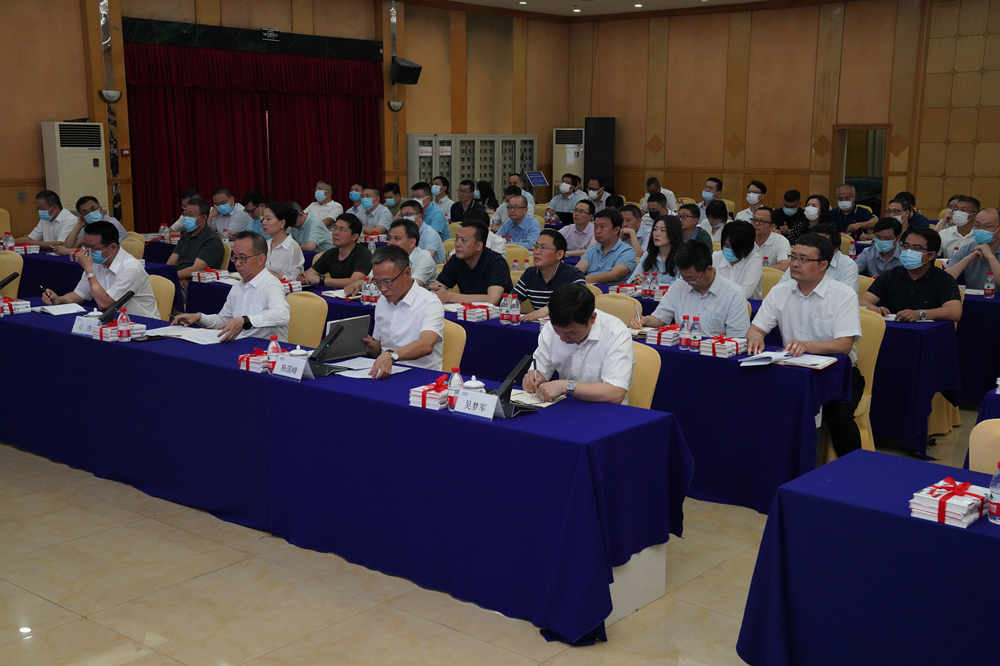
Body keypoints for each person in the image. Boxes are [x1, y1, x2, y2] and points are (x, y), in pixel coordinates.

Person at [747, 233, 865, 457]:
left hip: (837, 374)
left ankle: (852, 468)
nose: (795, 264)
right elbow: (757, 328)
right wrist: (755, 337)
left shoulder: (842, 295)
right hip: (792, 370)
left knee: (839, 418)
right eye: (793, 257)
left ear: (823, 265)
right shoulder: (780, 291)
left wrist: (807, 345)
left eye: (803, 259)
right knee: (755, 399)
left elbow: (843, 344)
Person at [523, 283, 633, 404]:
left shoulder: (616, 332)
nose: (563, 339)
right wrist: (534, 378)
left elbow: (616, 393)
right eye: (558, 332)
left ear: (592, 318)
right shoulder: (550, 328)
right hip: (568, 405)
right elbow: (539, 371)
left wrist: (566, 386)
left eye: (571, 333)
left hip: (606, 409)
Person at [172, 231, 289, 341]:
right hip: (240, 344)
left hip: (266, 349)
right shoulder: (238, 286)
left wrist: (245, 320)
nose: (237, 263)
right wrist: (199, 317)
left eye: (243, 258)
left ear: (261, 259)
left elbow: (282, 315)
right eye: (235, 257)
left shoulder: (271, 284)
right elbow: (224, 320)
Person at [41, 220, 159, 319]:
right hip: (115, 322)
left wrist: (89, 270)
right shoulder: (97, 261)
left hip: (143, 324)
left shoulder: (131, 267)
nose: (87, 252)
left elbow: (105, 304)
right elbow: (80, 294)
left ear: (112, 247)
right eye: (85, 247)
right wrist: (58, 299)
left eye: (93, 248)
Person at [633, 240, 750, 337]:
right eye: (684, 278)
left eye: (692, 278)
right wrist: (645, 320)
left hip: (715, 353)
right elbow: (660, 318)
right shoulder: (680, 285)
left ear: (709, 269)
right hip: (684, 346)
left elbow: (738, 339)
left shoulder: (733, 294)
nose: (688, 283)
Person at [362, 245, 445, 376]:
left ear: (407, 273)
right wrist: (373, 347)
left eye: (388, 281)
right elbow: (381, 347)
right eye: (377, 282)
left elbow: (426, 345)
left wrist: (392, 355)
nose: (383, 289)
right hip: (388, 371)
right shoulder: (382, 301)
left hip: (421, 375)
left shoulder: (429, 302)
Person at [862, 227, 961, 322]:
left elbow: (954, 312)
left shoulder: (944, 279)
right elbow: (863, 300)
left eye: (916, 248)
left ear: (930, 255)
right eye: (906, 246)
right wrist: (874, 309)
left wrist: (920, 314)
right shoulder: (891, 275)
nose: (908, 251)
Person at [345, 219, 437, 294]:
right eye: (389, 238)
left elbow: (410, 288)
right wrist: (359, 284)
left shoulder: (424, 258)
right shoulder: (386, 255)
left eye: (397, 238)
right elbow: (370, 279)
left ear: (412, 242)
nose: (390, 243)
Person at [430, 221, 512, 305]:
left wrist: (450, 296)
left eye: (463, 240)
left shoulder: (497, 263)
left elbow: (492, 299)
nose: (457, 244)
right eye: (457, 239)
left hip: (498, 312)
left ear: (478, 246)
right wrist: (436, 290)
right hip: (466, 310)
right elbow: (437, 287)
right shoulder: (456, 259)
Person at [513, 230, 587, 321]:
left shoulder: (574, 275)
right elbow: (512, 299)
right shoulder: (530, 273)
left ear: (559, 254)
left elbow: (577, 301)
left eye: (543, 248)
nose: (536, 252)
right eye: (536, 247)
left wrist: (547, 309)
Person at [300, 213, 372, 289]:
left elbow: (354, 282)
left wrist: (322, 280)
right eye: (335, 228)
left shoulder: (363, 254)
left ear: (354, 237)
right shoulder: (330, 253)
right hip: (334, 293)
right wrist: (304, 277)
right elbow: (308, 274)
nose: (335, 233)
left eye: (342, 229)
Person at [779, 223, 858, 292]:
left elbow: (845, 298)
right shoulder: (798, 260)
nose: (814, 247)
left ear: (835, 249)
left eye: (820, 245)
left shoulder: (847, 265)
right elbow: (781, 289)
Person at [166, 196, 225, 282]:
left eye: (190, 215)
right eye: (185, 214)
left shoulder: (212, 240)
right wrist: (166, 276)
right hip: (178, 278)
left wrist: (171, 277)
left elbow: (196, 269)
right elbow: (171, 263)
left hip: (196, 283)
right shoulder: (185, 235)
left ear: (203, 218)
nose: (186, 218)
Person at [576, 208, 638, 284]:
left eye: (602, 227)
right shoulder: (593, 249)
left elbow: (614, 275)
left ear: (616, 230)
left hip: (611, 291)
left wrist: (582, 279)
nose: (597, 231)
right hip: (588, 288)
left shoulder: (627, 251)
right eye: (596, 226)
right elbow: (578, 270)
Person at [946, 207, 1000, 289]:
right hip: (972, 296)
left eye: (987, 226)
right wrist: (969, 258)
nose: (981, 230)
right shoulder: (967, 248)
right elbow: (945, 279)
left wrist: (990, 257)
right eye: (977, 225)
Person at [58, 195, 127, 255]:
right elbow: (67, 246)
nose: (90, 213)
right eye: (85, 212)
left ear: (100, 209)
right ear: (82, 216)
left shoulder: (111, 223)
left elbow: (102, 252)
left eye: (93, 209)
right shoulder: (89, 227)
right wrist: (78, 225)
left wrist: (69, 251)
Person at [713, 220, 763, 299]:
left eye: (734, 247)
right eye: (726, 245)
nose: (728, 249)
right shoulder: (716, 257)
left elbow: (744, 294)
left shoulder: (755, 261)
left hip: (747, 304)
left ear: (746, 248)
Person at [628, 215, 682, 285]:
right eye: (655, 229)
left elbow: (680, 286)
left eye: (663, 230)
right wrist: (636, 281)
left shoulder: (682, 256)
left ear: (674, 233)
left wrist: (649, 283)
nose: (657, 234)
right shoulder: (648, 254)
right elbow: (631, 280)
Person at [260, 202, 305, 281]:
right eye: (263, 219)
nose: (263, 222)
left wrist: (271, 275)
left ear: (282, 223)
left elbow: (296, 279)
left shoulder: (292, 247)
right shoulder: (265, 244)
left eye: (268, 219)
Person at [397, 198, 446, 263]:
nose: (405, 218)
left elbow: (426, 259)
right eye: (402, 216)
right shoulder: (406, 232)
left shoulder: (430, 233)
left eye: (408, 215)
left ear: (420, 216)